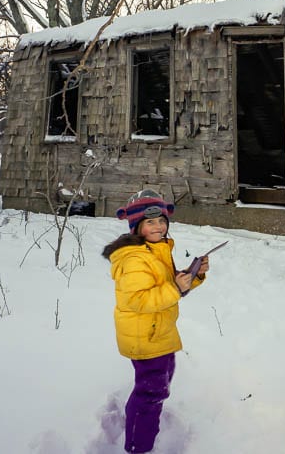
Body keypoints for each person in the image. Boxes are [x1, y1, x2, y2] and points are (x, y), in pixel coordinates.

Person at [102, 189, 209, 454]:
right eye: (150, 222)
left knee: (154, 388)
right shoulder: (135, 258)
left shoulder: (154, 250)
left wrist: (192, 276)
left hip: (157, 333)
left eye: (162, 221)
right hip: (146, 337)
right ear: (137, 226)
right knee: (150, 394)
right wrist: (175, 288)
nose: (159, 226)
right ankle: (139, 446)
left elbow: (165, 286)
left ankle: (140, 429)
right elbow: (138, 299)